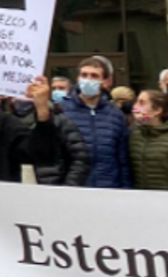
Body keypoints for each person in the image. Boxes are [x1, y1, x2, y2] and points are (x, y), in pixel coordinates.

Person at [34, 56, 130, 190]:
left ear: (106, 81)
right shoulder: (61, 110)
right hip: (73, 188)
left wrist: (125, 190)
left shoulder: (115, 115)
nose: (88, 80)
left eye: (94, 76)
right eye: (84, 75)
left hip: (108, 188)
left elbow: (122, 160)